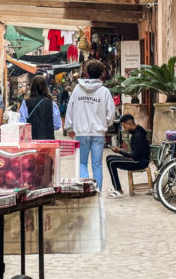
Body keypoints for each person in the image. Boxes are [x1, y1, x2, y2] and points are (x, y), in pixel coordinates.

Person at [64, 60, 115, 191]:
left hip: (81, 132)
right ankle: (97, 192)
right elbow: (111, 113)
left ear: (86, 73)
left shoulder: (77, 89)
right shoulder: (104, 91)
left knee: (81, 163)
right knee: (97, 165)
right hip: (98, 133)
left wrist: (69, 127)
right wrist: (106, 124)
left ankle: (87, 189)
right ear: (101, 73)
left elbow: (70, 109)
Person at [104, 113, 150, 197]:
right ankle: (116, 188)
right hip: (137, 159)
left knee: (111, 162)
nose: (124, 129)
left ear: (129, 124)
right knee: (109, 158)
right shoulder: (137, 131)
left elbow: (134, 156)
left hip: (139, 162)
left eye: (124, 126)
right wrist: (121, 151)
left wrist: (120, 151)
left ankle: (118, 190)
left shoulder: (138, 135)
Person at [19, 74, 61, 140]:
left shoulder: (26, 103)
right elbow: (57, 125)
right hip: (48, 141)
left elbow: (22, 123)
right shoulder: (51, 103)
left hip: (31, 141)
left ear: (32, 87)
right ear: (45, 87)